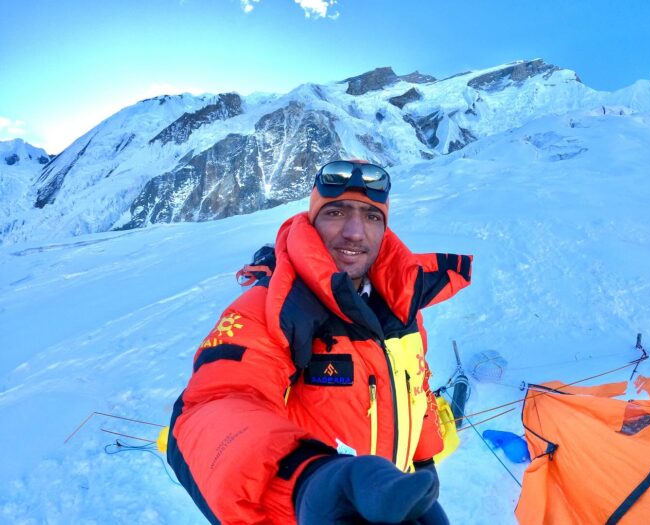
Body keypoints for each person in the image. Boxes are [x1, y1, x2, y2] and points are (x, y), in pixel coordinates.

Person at [167, 160, 472, 524]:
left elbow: (414, 386)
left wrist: (423, 462)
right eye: (336, 212)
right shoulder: (271, 308)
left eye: (372, 216)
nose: (355, 232)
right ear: (312, 221)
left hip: (385, 497)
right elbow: (215, 404)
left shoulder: (400, 305)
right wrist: (304, 482)